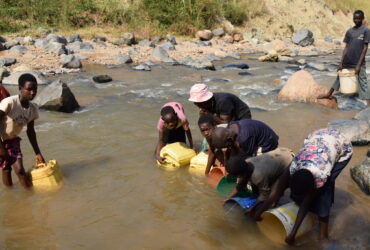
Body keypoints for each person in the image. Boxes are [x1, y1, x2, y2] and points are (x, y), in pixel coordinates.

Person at [0, 73, 45, 188]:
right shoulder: (10, 103)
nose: (33, 92)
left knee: (20, 170)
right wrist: (2, 149)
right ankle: (11, 194)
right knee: (6, 169)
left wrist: (38, 152)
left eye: (35, 89)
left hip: (13, 139)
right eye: (29, 89)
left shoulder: (33, 108)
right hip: (0, 139)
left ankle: (28, 195)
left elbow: (30, 132)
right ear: (20, 88)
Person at [224, 148, 294, 219]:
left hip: (288, 162)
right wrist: (227, 198)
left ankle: (270, 209)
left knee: (274, 193)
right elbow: (241, 184)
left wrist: (252, 208)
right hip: (281, 152)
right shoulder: (246, 163)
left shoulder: (258, 176)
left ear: (239, 175)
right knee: (263, 183)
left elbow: (264, 194)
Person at [318, 10, 370, 107]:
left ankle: (368, 105)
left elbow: (365, 48)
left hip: (358, 62)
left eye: (359, 18)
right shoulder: (350, 31)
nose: (356, 20)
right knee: (339, 78)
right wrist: (341, 63)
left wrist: (359, 64)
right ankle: (329, 94)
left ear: (362, 18)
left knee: (363, 81)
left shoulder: (366, 30)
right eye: (355, 18)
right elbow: (346, 47)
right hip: (347, 60)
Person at [210, 119, 279, 166]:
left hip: (268, 142)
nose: (226, 148)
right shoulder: (230, 127)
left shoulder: (244, 138)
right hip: (255, 134)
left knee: (255, 164)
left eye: (225, 146)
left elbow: (249, 156)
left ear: (230, 140)